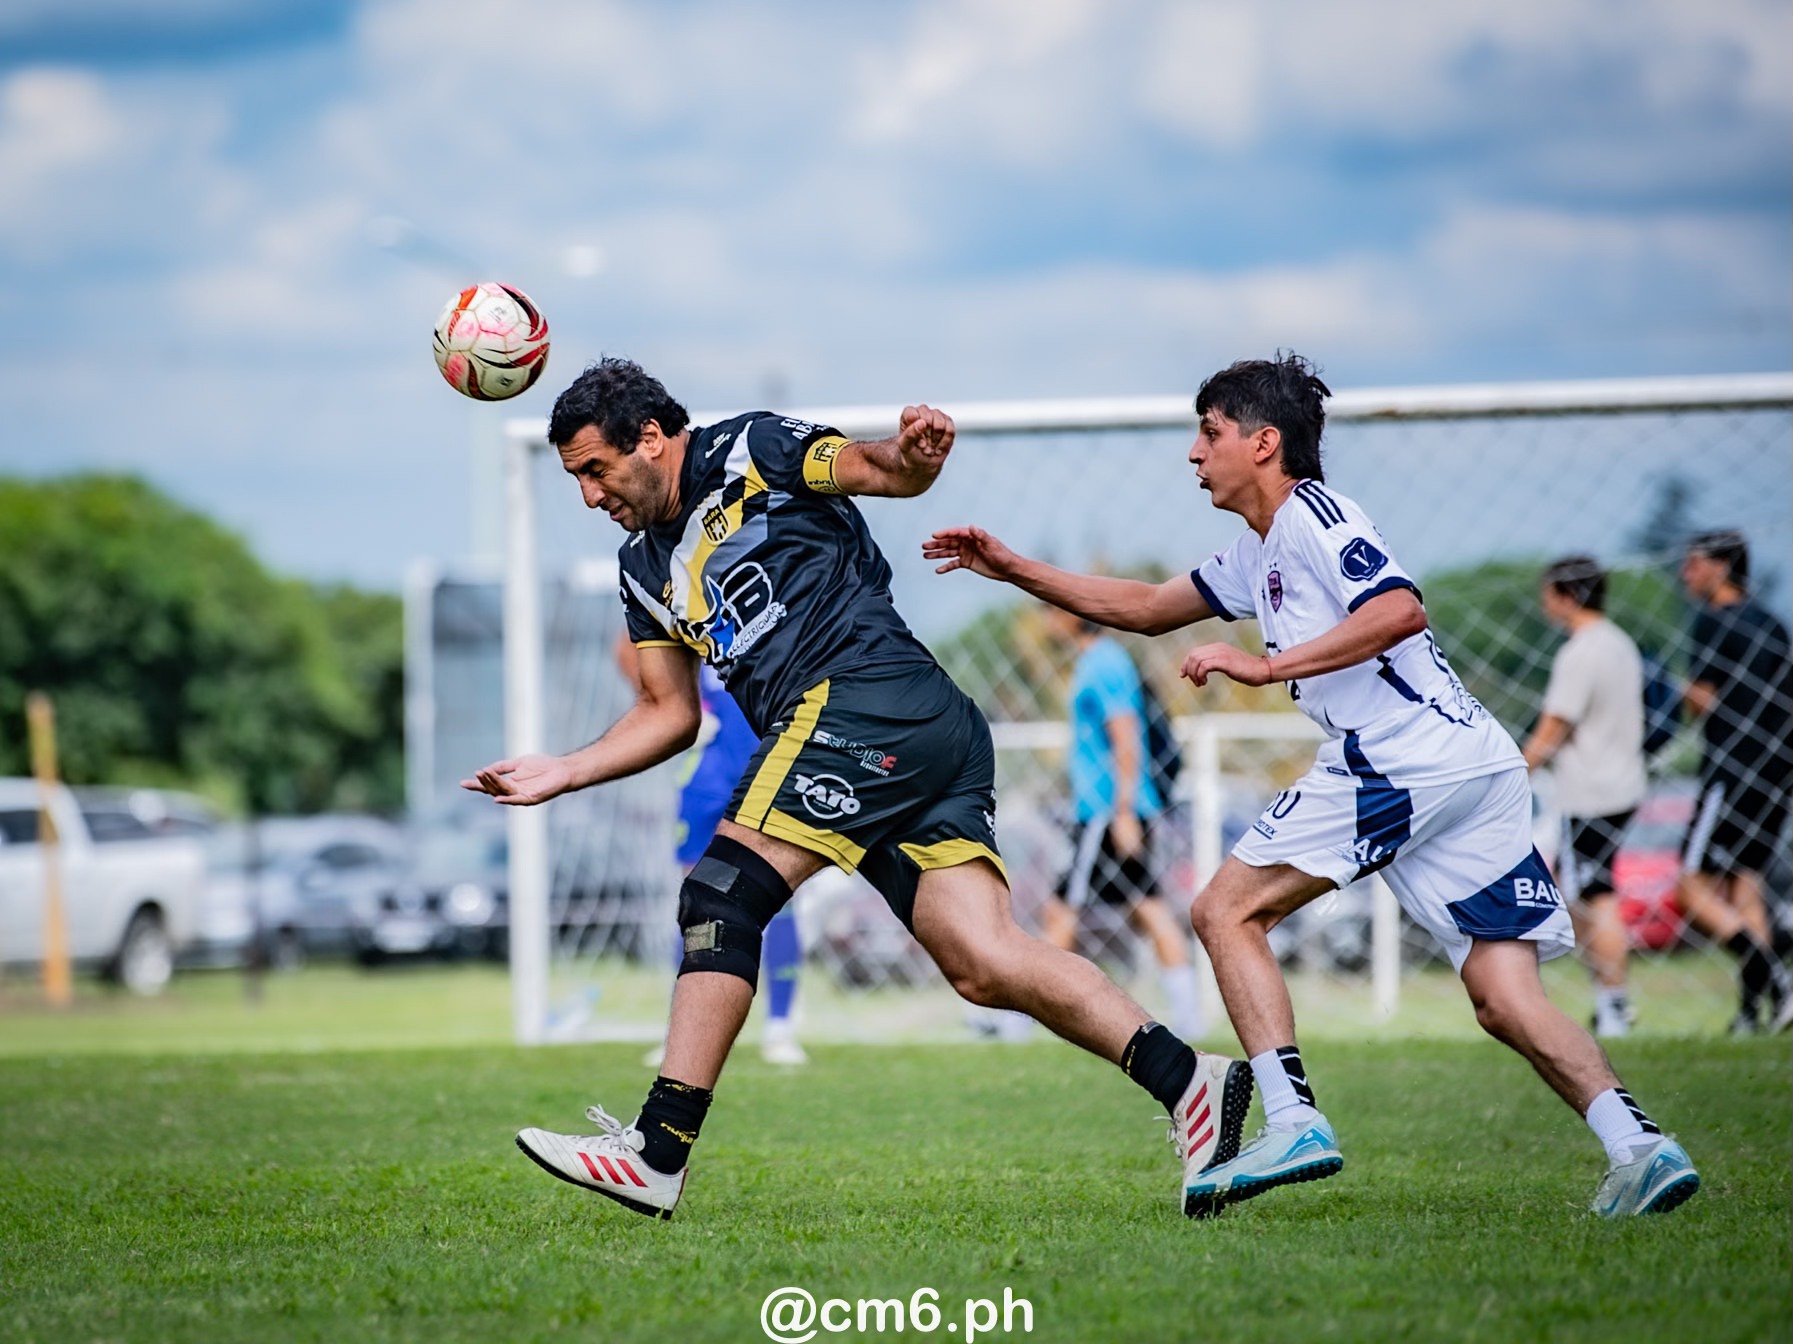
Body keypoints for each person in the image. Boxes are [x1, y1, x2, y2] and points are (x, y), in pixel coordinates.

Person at [464, 357, 1250, 1221]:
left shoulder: (751, 448)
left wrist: (917, 453)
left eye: (595, 471)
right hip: (906, 731)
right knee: (983, 963)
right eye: (575, 477)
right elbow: (667, 713)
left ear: (650, 439)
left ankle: (656, 1152)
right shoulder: (640, 569)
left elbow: (880, 469)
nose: (588, 496)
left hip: (866, 700)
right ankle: (1191, 1084)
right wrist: (564, 769)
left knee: (723, 891)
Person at [925, 352, 1700, 1219]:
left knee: (1224, 910)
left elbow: (1400, 608)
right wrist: (1013, 566)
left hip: (1403, 755)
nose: (1192, 452)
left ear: (1262, 443)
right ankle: (1639, 1148)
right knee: (1501, 994)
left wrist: (1266, 666)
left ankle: (1292, 1117)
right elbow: (1145, 604)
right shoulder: (1256, 551)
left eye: (1208, 433)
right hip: (1471, 766)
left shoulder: (1316, 517)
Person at [619, 638, 807, 1067]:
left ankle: (780, 1027)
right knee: (697, 900)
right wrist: (672, 700)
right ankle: (682, 1034)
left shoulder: (787, 596)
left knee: (780, 897)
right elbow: (627, 644)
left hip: (771, 765)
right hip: (706, 772)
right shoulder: (690, 594)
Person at [1041, 608, 1203, 1040]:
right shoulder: (1098, 660)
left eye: (1049, 609)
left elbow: (1126, 735)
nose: (1045, 620)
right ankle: (1191, 1017)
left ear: (1070, 616)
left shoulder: (1105, 662)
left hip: (1104, 813)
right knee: (1148, 907)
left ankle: (1017, 1020)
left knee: (1061, 910)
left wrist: (1125, 811)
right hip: (1108, 810)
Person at [1520, 557, 1648, 1039]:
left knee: (1594, 897)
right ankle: (1611, 1001)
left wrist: (1514, 773)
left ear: (1567, 596)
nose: (1543, 603)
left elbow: (1554, 727)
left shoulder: (1580, 652)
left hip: (1589, 791)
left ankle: (1614, 1004)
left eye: (1548, 593)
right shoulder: (1620, 643)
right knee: (1592, 891)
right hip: (1626, 781)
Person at [1674, 530, 1793, 1035]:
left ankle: (1775, 979)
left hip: (1731, 769)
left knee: (1690, 888)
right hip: (1777, 771)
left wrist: (1677, 692)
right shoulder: (1771, 622)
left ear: (1721, 567)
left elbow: (1702, 699)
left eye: (1695, 564)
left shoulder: (1713, 621)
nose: (1687, 574)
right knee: (1747, 886)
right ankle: (1753, 1014)